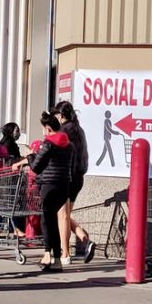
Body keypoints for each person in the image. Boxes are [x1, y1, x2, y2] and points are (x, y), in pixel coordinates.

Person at [12, 112, 74, 271]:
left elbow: (37, 167)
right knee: (52, 220)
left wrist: (30, 157)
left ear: (48, 128)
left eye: (43, 129)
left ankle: (48, 254)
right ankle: (56, 258)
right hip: (64, 185)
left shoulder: (48, 144)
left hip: (49, 185)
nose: (43, 132)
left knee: (47, 221)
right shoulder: (69, 145)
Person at [52, 101, 95, 265]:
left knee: (61, 215)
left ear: (60, 116)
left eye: (56, 115)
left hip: (66, 177)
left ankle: (65, 254)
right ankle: (85, 239)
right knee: (64, 214)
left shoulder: (63, 131)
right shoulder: (79, 130)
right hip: (78, 178)